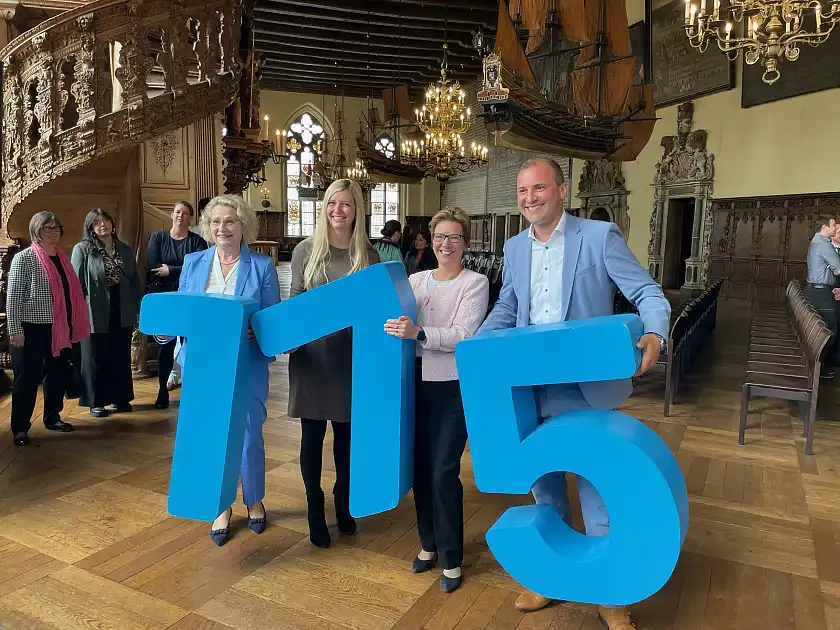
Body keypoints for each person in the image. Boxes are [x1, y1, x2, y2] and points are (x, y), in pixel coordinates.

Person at [477, 157, 670, 630]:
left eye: (539, 188)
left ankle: (609, 592)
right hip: (529, 384)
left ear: (562, 191)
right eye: (523, 191)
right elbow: (508, 306)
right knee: (543, 482)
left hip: (586, 384)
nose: (530, 199)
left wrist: (655, 332)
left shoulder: (598, 237)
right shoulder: (515, 247)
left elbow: (646, 291)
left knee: (596, 487)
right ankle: (551, 573)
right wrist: (476, 348)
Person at [384, 207, 489, 594]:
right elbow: (395, 320)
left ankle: (451, 556)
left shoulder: (475, 283)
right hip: (412, 383)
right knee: (419, 469)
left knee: (443, 470)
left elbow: (463, 333)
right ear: (430, 240)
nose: (446, 244)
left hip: (451, 387)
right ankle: (428, 543)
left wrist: (419, 333)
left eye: (454, 237)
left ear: (465, 243)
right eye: (440, 236)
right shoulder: (415, 279)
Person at [178, 194, 281, 545]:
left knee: (250, 434)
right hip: (203, 364)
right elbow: (183, 310)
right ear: (208, 227)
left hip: (246, 362)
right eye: (216, 222)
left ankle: (254, 498)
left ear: (243, 226)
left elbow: (271, 319)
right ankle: (221, 504)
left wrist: (257, 329)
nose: (222, 228)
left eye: (230, 221)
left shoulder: (262, 267)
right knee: (212, 434)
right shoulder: (193, 263)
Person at [287, 179, 379, 548]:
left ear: (357, 211)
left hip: (351, 358)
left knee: (347, 440)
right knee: (311, 437)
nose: (338, 210)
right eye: (332, 203)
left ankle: (344, 501)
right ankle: (314, 506)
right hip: (312, 359)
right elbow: (294, 302)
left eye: (346, 204)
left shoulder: (368, 254)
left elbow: (375, 309)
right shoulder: (305, 251)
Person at [7, 212, 90, 446]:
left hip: (60, 328)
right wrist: (15, 330)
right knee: (27, 378)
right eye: (47, 228)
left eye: (55, 228)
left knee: (57, 374)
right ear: (36, 231)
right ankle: (20, 428)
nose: (52, 232)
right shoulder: (24, 258)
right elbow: (13, 299)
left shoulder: (63, 258)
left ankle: (52, 417)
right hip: (30, 329)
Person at [71, 209, 142, 418]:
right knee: (95, 355)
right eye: (97, 222)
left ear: (112, 224)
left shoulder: (125, 248)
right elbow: (75, 284)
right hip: (94, 307)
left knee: (120, 354)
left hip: (122, 305)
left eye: (106, 220)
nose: (102, 224)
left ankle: (121, 398)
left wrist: (137, 308)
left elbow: (134, 280)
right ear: (91, 228)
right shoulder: (82, 249)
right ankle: (96, 401)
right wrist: (78, 313)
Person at [145, 201, 208, 408]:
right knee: (165, 347)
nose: (181, 216)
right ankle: (162, 391)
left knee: (191, 346)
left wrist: (170, 270)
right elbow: (153, 266)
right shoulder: (158, 238)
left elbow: (200, 269)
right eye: (178, 212)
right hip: (166, 300)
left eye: (186, 213)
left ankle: (192, 391)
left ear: (191, 218)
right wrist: (181, 269)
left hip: (190, 300)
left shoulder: (198, 242)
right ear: (172, 215)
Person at [805, 218, 840, 378]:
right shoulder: (824, 244)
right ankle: (820, 369)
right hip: (821, 292)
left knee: (820, 330)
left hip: (815, 290)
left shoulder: (817, 241)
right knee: (828, 330)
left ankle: (816, 367)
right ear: (824, 227)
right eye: (833, 225)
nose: (835, 228)